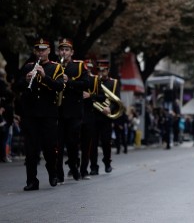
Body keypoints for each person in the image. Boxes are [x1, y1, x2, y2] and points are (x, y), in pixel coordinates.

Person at [15, 38, 65, 190]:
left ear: (49, 51)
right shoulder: (28, 66)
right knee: (31, 149)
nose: (41, 52)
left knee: (50, 147)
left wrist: (44, 77)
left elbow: (59, 86)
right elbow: (16, 87)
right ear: (35, 51)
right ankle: (31, 181)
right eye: (38, 50)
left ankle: (53, 173)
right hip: (30, 113)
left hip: (48, 114)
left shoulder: (56, 68)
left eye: (44, 50)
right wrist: (26, 79)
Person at [56, 38, 89, 183]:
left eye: (67, 50)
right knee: (58, 143)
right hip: (58, 110)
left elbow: (86, 84)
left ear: (72, 52)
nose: (64, 52)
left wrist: (68, 81)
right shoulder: (54, 66)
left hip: (74, 110)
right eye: (62, 49)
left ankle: (74, 167)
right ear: (58, 52)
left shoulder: (80, 66)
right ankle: (59, 173)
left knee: (72, 142)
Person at [90, 59, 120, 174]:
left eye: (103, 70)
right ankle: (93, 166)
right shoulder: (94, 82)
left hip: (106, 117)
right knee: (93, 143)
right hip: (94, 115)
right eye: (99, 70)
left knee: (106, 142)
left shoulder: (114, 83)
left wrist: (110, 108)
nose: (101, 72)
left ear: (108, 70)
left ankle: (107, 163)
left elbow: (116, 100)